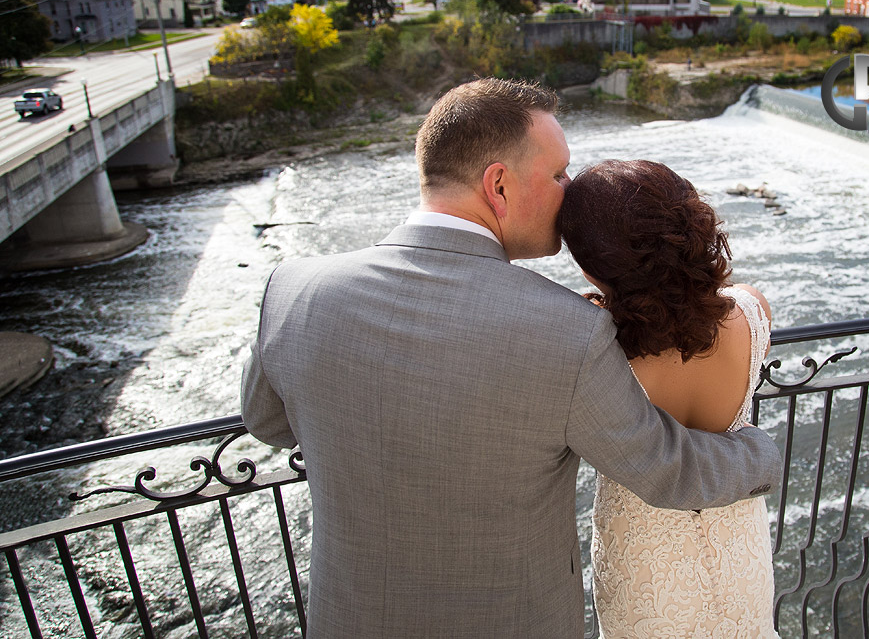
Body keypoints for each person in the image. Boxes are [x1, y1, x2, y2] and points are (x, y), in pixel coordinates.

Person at [240, 79, 783, 638]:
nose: (569, 191)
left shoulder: (293, 290)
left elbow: (268, 424)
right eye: (558, 174)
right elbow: (663, 467)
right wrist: (762, 454)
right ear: (498, 184)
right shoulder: (569, 330)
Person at [560, 159, 781, 638]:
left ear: (591, 265)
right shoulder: (751, 309)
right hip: (737, 537)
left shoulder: (589, 344)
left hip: (643, 554)